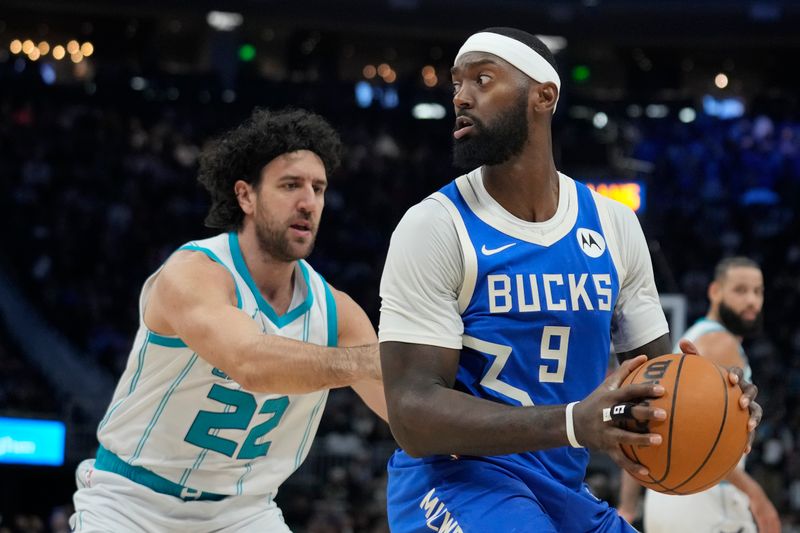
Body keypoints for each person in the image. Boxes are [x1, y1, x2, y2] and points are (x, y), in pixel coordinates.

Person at [378, 27, 761, 532]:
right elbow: (411, 414)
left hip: (561, 489)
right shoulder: (434, 225)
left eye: (483, 78)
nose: (461, 97)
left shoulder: (615, 225)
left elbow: (657, 377)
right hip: (451, 480)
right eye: (456, 84)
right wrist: (574, 422)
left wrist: (717, 406)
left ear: (544, 96)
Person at [71, 108, 386, 532]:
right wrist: (366, 361)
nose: (308, 202)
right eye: (291, 185)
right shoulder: (193, 272)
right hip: (132, 502)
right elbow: (249, 363)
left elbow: (405, 407)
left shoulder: (337, 312)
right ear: (246, 196)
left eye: (318, 188)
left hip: (243, 512)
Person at [618, 257, 780, 533]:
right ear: (715, 292)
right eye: (740, 290)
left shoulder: (696, 338)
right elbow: (700, 439)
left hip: (668, 493)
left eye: (758, 291)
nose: (752, 300)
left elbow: (648, 424)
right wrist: (756, 494)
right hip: (706, 497)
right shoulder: (720, 343)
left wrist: (628, 505)